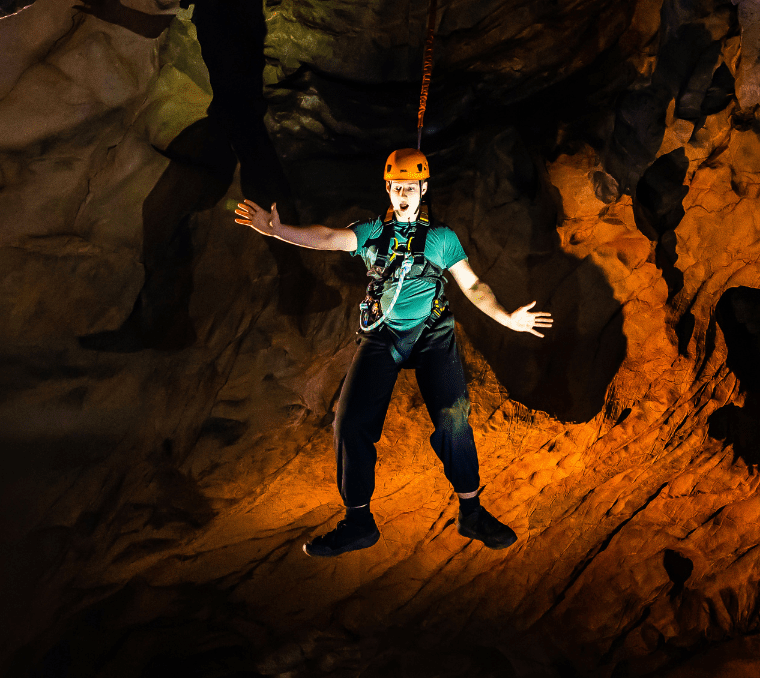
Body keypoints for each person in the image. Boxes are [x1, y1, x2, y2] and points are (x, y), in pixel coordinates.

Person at [235, 147, 553, 557]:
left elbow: (473, 285)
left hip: (432, 335)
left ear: (423, 189)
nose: (403, 194)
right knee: (348, 422)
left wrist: (507, 317)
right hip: (382, 337)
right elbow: (329, 238)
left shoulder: (441, 239)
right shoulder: (371, 234)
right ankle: (358, 522)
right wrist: (279, 230)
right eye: (396, 187)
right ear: (388, 188)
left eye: (411, 187)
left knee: (453, 417)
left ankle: (471, 511)